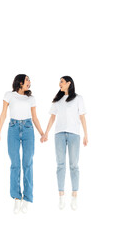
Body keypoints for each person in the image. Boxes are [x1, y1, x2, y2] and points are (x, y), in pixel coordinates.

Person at [0, 74, 44, 214]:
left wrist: (42, 133)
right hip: (13, 129)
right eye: (27, 79)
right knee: (15, 163)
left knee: (28, 163)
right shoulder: (9, 95)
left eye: (29, 80)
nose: (29, 82)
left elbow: (35, 117)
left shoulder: (31, 98)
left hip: (28, 129)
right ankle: (16, 197)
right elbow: (3, 114)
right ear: (20, 82)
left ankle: (27, 198)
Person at [41, 76, 88, 211]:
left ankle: (74, 196)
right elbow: (52, 117)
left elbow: (82, 117)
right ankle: (61, 196)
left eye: (62, 82)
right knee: (60, 165)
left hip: (74, 134)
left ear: (69, 83)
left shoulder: (78, 98)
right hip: (59, 134)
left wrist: (86, 134)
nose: (59, 84)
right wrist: (46, 133)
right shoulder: (57, 100)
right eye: (59, 82)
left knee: (74, 165)